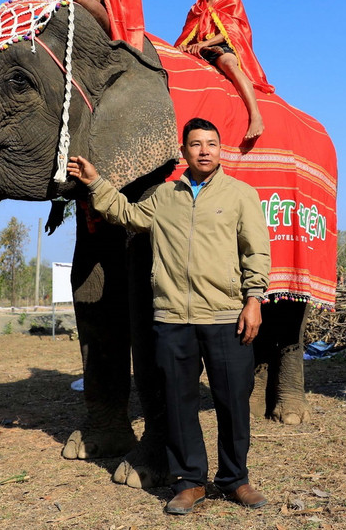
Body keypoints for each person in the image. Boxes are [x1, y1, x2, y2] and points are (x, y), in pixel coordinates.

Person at [66, 117, 270, 516]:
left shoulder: (242, 194)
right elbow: (126, 214)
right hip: (173, 316)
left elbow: (256, 251)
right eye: (196, 144)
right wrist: (95, 182)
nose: (205, 150)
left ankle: (235, 479)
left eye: (211, 143)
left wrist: (254, 300)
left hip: (226, 314)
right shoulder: (164, 196)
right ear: (184, 151)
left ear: (220, 148)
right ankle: (190, 482)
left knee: (232, 402)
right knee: (178, 403)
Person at [175, 0, 273, 140]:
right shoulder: (196, 8)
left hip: (222, 45)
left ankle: (255, 116)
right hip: (200, 50)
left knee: (228, 63)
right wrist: (183, 46)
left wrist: (205, 44)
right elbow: (188, 34)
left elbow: (233, 30)